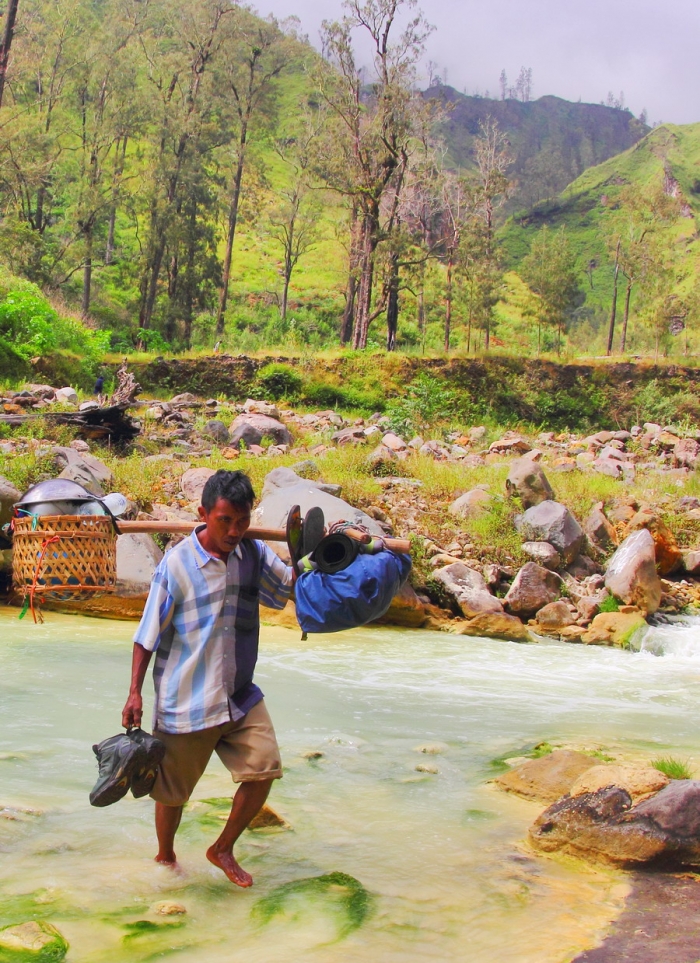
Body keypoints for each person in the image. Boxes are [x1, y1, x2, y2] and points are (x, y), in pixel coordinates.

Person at [122, 469, 293, 887]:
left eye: (242, 520)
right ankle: (165, 858)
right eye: (224, 521)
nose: (235, 531)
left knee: (264, 768)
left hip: (238, 693)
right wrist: (134, 694)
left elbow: (289, 587)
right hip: (188, 696)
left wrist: (325, 554)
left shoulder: (252, 554)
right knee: (171, 792)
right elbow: (148, 634)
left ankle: (222, 848)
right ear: (203, 513)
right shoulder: (177, 564)